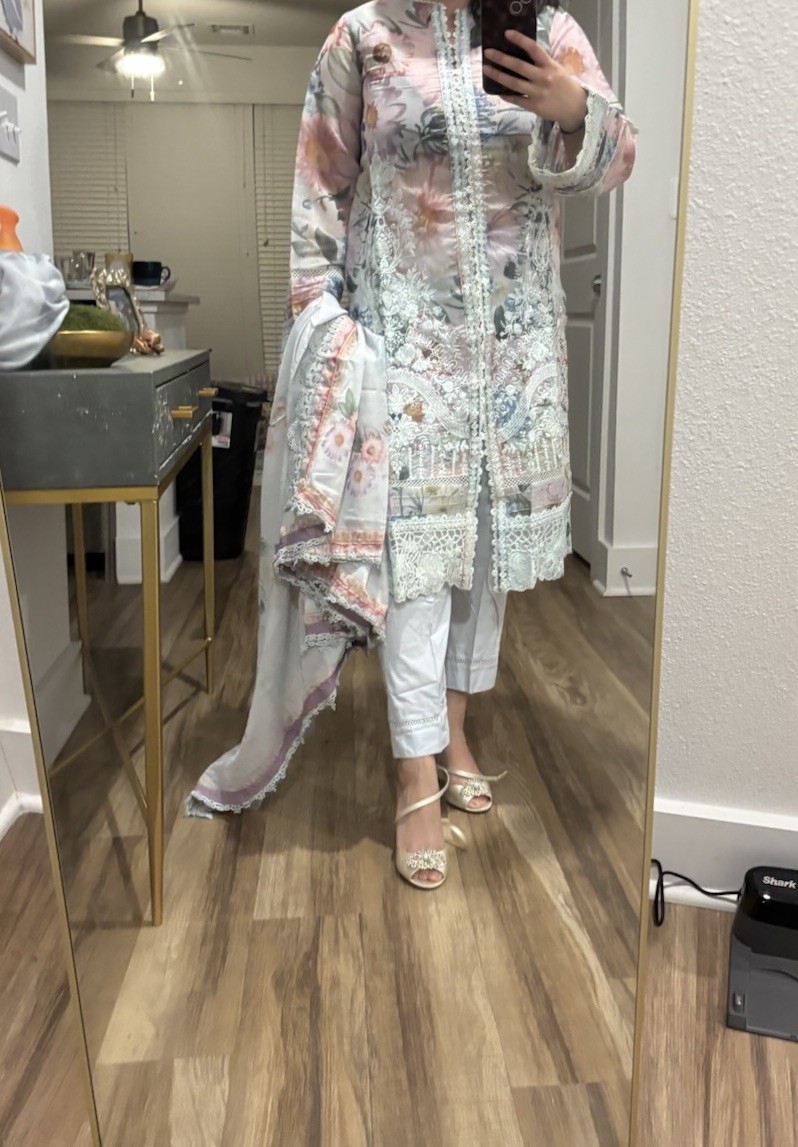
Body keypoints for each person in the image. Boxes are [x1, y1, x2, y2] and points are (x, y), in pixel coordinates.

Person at [287, 0, 635, 889]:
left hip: (517, 351)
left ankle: (454, 727)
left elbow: (619, 157)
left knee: (482, 550)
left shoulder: (546, 30)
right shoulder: (364, 37)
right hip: (405, 346)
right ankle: (414, 769)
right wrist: (316, 324)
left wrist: (571, 108)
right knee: (415, 556)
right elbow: (320, 183)